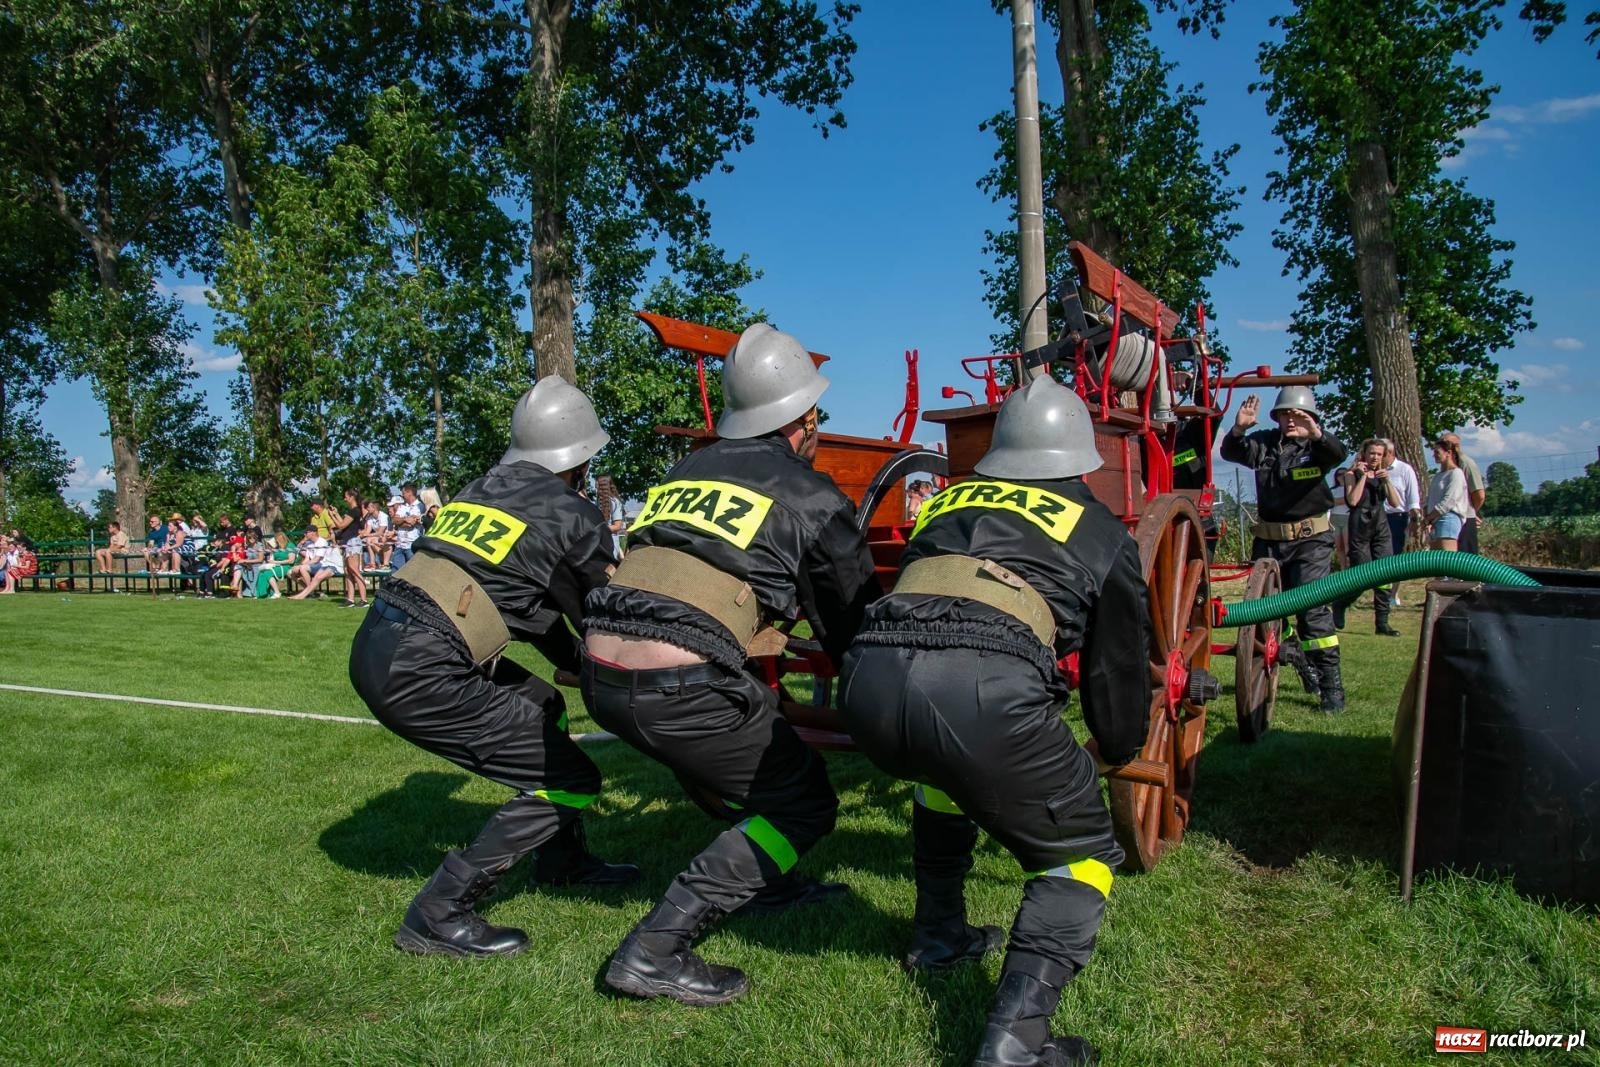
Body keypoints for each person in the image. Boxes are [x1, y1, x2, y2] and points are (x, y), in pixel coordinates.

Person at [839, 377, 1153, 1067]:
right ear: (1078, 454)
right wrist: (1120, 743)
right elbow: (1117, 667)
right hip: (981, 687)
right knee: (1082, 854)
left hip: (868, 683)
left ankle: (938, 933)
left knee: (939, 772)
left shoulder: (944, 501)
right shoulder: (1099, 529)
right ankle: (1015, 1043)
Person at [581, 322, 880, 1007]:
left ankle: (768, 880)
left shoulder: (683, 471)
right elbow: (853, 630)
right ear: (803, 419)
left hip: (599, 671)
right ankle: (655, 948)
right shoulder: (814, 497)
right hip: (675, 684)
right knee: (805, 800)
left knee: (763, 750)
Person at [348, 377, 637, 959]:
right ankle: (438, 912)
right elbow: (604, 621)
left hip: (380, 642)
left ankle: (563, 861)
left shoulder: (480, 490)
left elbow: (535, 613)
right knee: (572, 779)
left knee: (542, 704)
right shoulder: (570, 516)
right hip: (424, 667)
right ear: (579, 458)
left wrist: (572, 664)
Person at [1221, 387, 1350, 713]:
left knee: (1312, 610)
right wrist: (1239, 429)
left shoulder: (1317, 448)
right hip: (1269, 541)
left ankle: (1331, 687)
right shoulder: (1265, 443)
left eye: (1297, 415)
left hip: (1310, 542)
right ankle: (1295, 656)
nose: (1291, 420)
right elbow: (1232, 453)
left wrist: (1317, 434)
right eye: (1285, 415)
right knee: (1269, 612)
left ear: (1310, 418)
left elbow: (1337, 454)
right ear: (1276, 417)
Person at [1334, 440, 1402, 636]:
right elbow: (1353, 500)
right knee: (1361, 576)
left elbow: (1396, 503)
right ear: (1364, 453)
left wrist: (1387, 480)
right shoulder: (1350, 474)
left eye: (1379, 454)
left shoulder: (1383, 475)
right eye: (1372, 453)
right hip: (1359, 527)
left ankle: (1382, 623)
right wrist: (1362, 476)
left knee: (1384, 576)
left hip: (1380, 527)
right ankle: (1340, 604)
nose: (1375, 458)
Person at [1380, 439, 1424, 606]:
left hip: (1397, 517)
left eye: (1381, 454)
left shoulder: (1404, 470)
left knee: (1394, 556)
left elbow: (1413, 498)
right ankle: (1380, 592)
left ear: (1390, 454)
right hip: (1377, 517)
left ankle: (1392, 594)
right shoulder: (1373, 469)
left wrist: (1414, 518)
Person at [1440, 432, 1486, 554]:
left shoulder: (1466, 464)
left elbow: (1479, 494)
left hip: (1464, 519)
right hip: (1450, 519)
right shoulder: (1445, 468)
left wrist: (1471, 512)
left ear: (1454, 447)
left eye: (1444, 445)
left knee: (1466, 559)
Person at [1427, 437, 1470, 551]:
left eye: (1437, 452)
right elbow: (1431, 499)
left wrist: (1429, 517)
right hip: (1435, 520)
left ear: (1448, 453)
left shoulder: (1456, 474)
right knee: (1436, 559)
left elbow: (1449, 501)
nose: (1434, 455)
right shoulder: (1437, 476)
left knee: (1447, 558)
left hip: (1448, 518)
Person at [336, 490, 369, 609]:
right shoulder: (353, 511)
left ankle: (364, 599)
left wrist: (333, 517)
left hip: (352, 542)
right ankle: (350, 599)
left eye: (346, 497)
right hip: (347, 541)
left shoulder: (354, 511)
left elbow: (341, 525)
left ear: (351, 497)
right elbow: (342, 524)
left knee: (354, 569)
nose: (344, 499)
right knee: (348, 571)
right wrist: (335, 514)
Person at [390, 486, 424, 568]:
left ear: (409, 493)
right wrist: (405, 519)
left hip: (411, 545)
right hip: (399, 544)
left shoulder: (420, 506)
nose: (402, 495)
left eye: (403, 493)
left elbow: (411, 523)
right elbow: (394, 520)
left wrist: (400, 522)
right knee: (396, 572)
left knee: (412, 571)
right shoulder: (402, 506)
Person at [594, 474, 626, 558]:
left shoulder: (614, 502)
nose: (595, 489)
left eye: (597, 486)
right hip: (599, 542)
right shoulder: (597, 501)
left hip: (610, 543)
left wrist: (599, 529)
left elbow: (617, 526)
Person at [257, 531, 296, 599]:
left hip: (286, 566)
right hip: (276, 565)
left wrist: (276, 562)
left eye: (277, 540)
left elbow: (291, 560)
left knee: (268, 573)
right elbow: (270, 547)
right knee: (262, 573)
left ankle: (277, 592)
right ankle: (263, 594)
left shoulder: (290, 545)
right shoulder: (277, 547)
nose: (276, 542)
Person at [95, 522, 130, 590]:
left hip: (123, 551)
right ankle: (103, 569)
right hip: (113, 551)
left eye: (109, 527)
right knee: (98, 552)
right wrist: (108, 550)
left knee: (108, 551)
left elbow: (120, 546)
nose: (108, 529)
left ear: (115, 528)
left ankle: (110, 569)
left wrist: (109, 550)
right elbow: (111, 546)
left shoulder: (121, 534)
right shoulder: (112, 536)